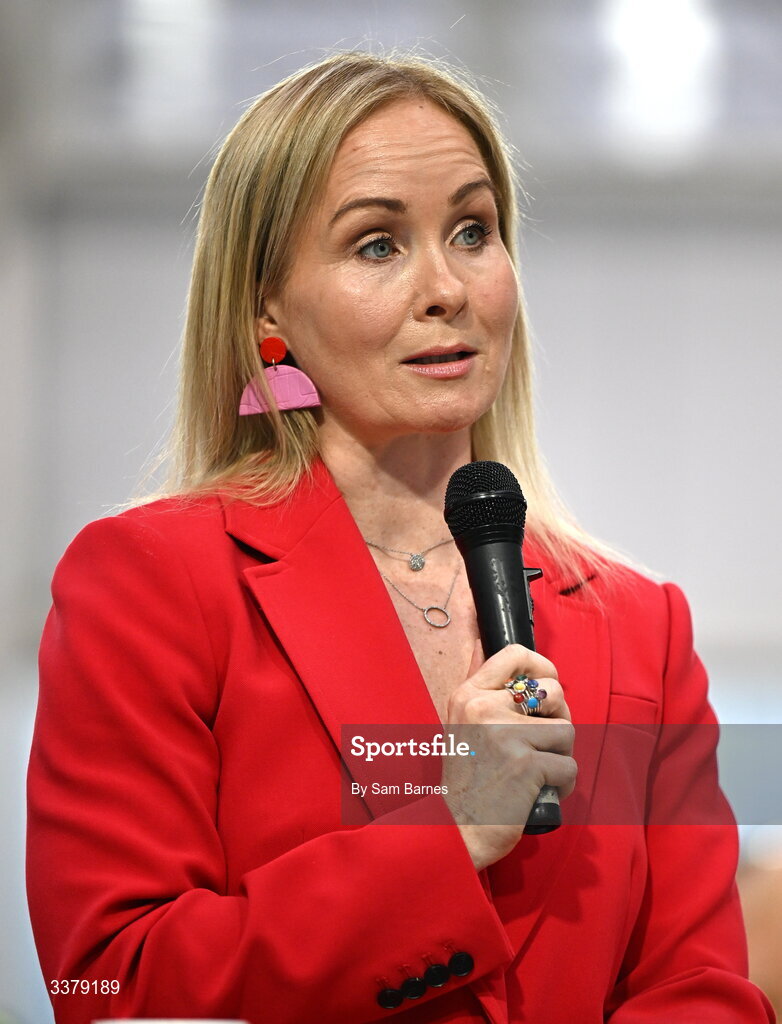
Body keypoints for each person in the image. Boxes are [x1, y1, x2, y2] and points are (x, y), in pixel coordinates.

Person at [26, 49, 775, 1024]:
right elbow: (104, 981)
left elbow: (700, 990)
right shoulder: (155, 582)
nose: (446, 287)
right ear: (267, 312)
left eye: (472, 231)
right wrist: (448, 831)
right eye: (377, 244)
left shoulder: (642, 628)